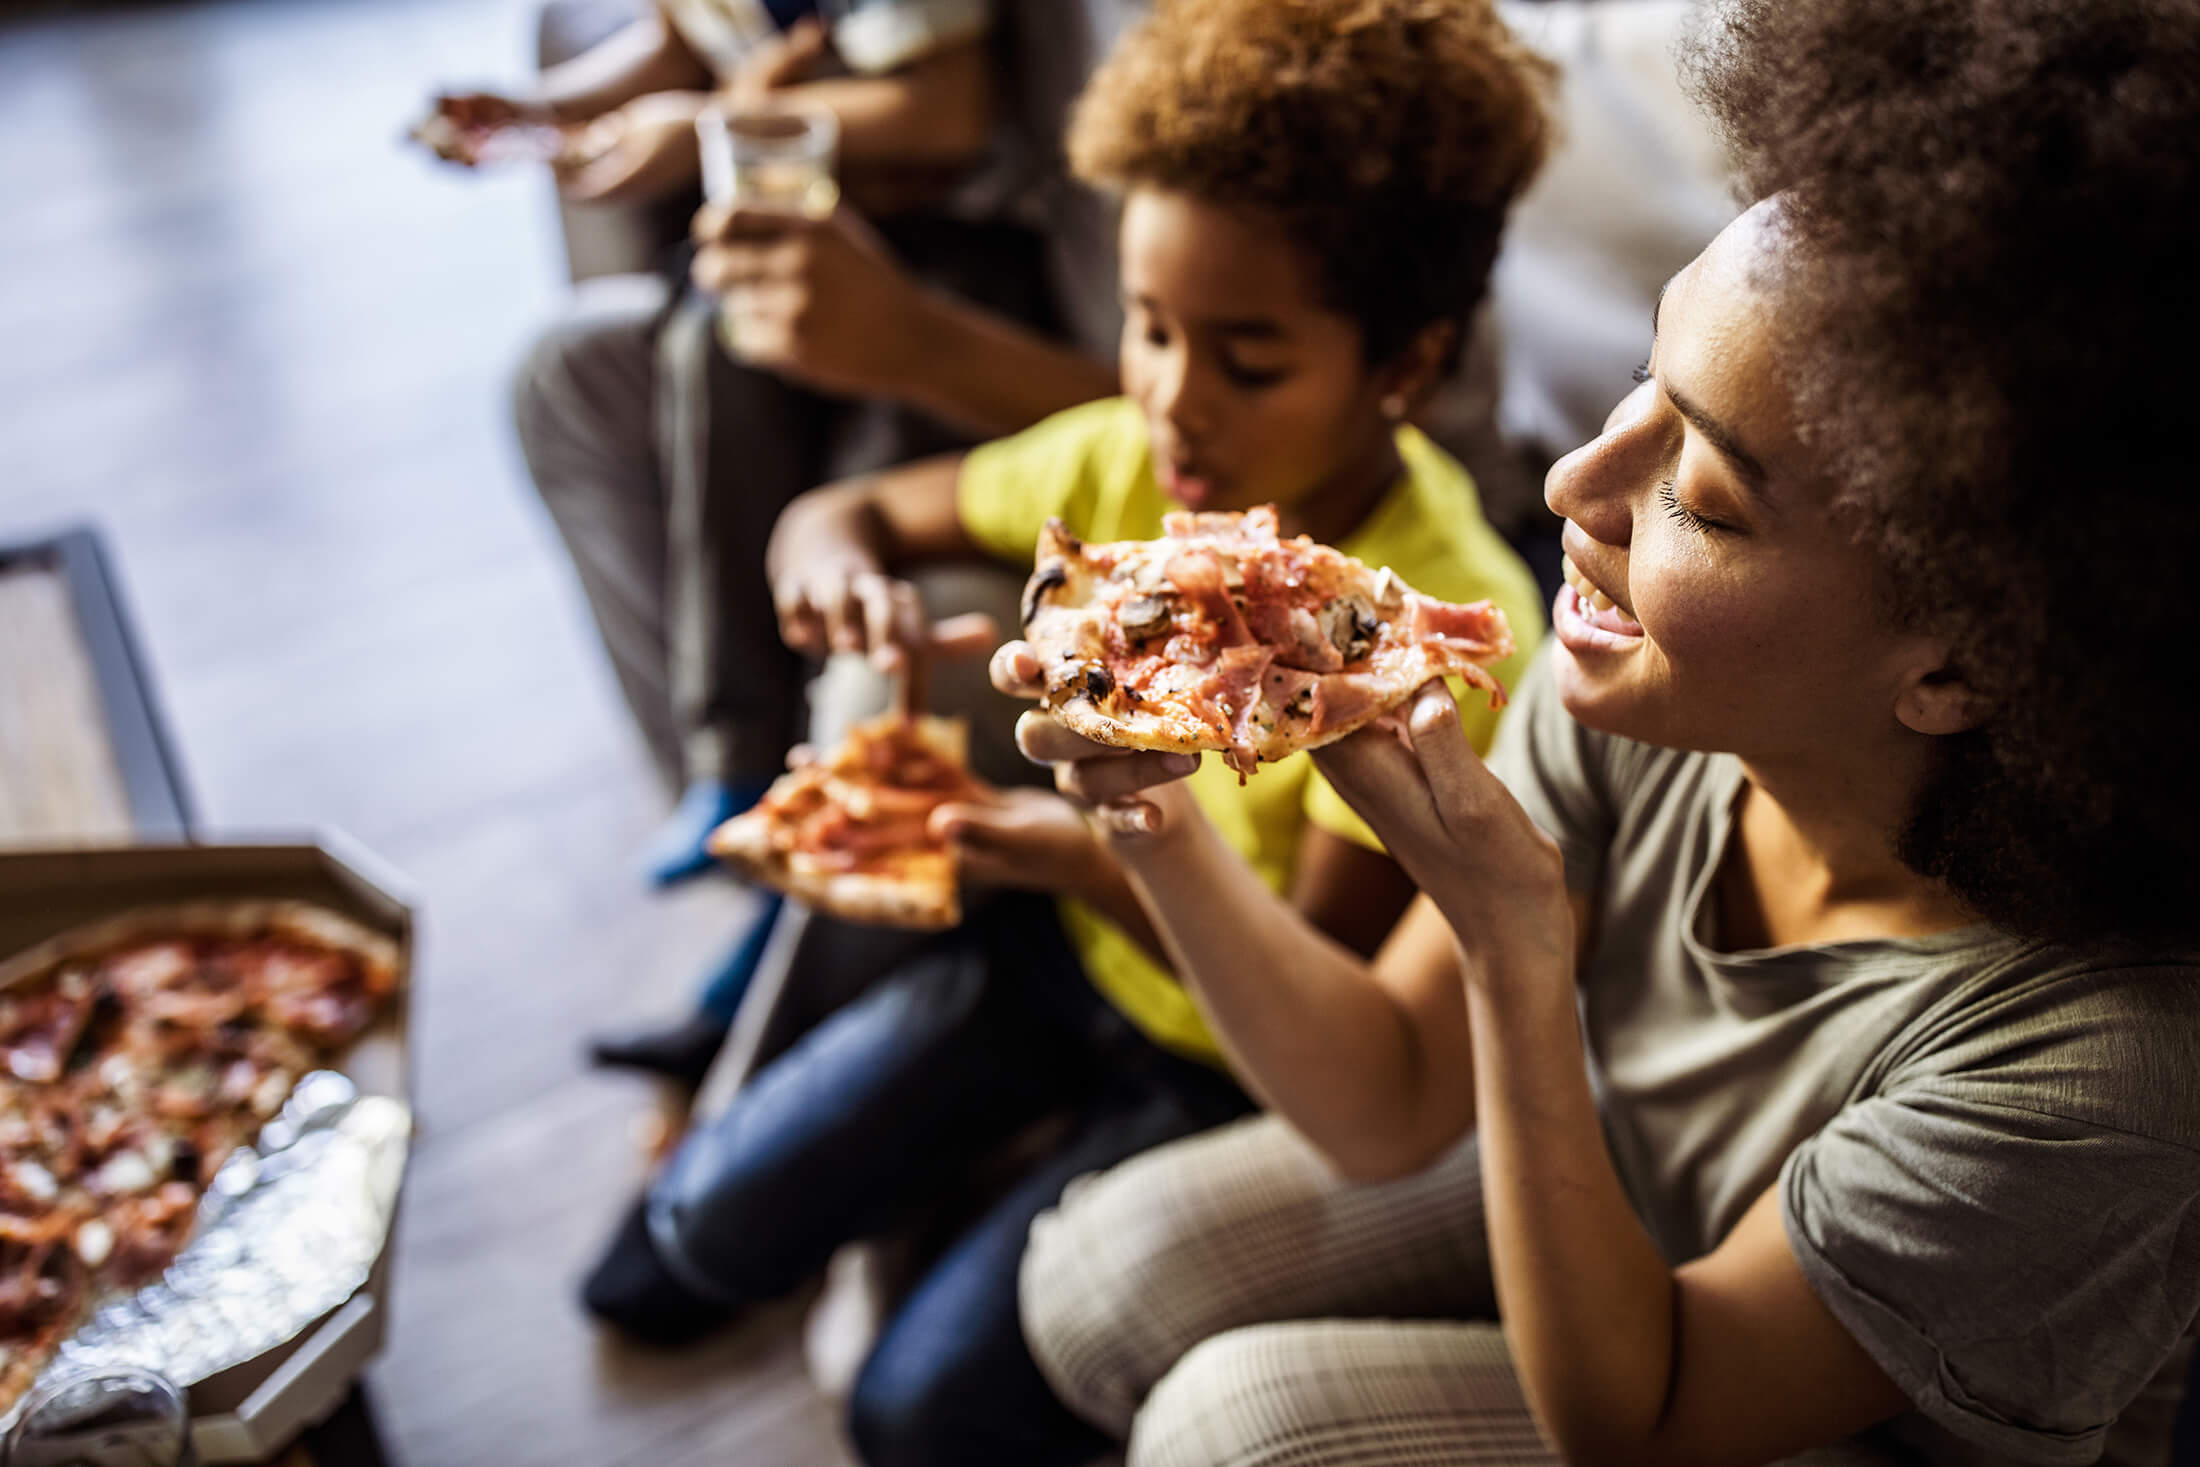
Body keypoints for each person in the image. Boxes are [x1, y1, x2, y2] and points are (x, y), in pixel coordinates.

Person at [1003, 1, 2200, 1463]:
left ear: (1964, 666)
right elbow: (1384, 1099)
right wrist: (1152, 803)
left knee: (1228, 1429)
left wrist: (1513, 941)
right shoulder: (1655, 691)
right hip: (1646, 1194)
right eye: (1647, 373)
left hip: (1808, 1417)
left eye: (1703, 492)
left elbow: (1644, 1417)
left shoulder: (2105, 1082)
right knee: (1097, 1272)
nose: (1575, 478)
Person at [574, 3, 1557, 1464]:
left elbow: (1321, 975)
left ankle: (995, 1187)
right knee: (680, 1251)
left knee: (916, 1412)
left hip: (1230, 1054)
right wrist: (834, 573)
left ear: (1404, 365)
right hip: (1058, 954)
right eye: (1149, 326)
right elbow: (844, 512)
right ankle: (953, 1162)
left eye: (1249, 357)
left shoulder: (1425, 636)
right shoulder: (1118, 456)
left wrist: (1094, 850)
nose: (1173, 399)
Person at [507, 1, 1123, 1082]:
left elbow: (1206, 432)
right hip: (908, 301)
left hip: (1014, 352)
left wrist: (910, 346)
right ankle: (748, 814)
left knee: (889, 636)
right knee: (593, 370)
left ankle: (778, 999)